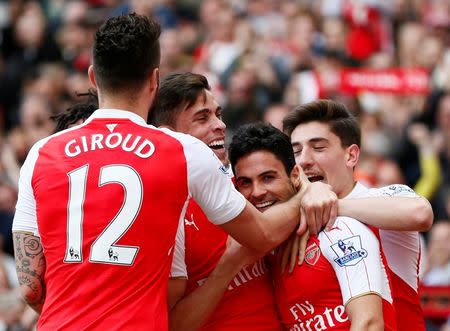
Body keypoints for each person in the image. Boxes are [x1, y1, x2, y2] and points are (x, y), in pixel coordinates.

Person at [11, 14, 336, 330]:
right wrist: (309, 191)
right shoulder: (182, 151)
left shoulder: (41, 153)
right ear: (154, 80)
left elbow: (30, 288)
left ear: (94, 78)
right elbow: (261, 236)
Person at [282, 99, 433, 330]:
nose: (304, 160)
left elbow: (421, 214)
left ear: (351, 156)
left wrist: (333, 205)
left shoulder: (384, 197)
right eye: (296, 151)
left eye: (319, 147)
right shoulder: (294, 216)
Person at [229, 122, 395, 330]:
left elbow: (369, 323)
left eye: (268, 178)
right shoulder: (266, 251)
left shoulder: (340, 229)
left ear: (295, 175)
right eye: (246, 182)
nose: (257, 192)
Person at [150, 72, 284, 330]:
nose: (220, 125)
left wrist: (313, 192)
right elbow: (174, 325)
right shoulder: (163, 209)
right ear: (171, 136)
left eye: (218, 114)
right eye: (203, 117)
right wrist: (227, 268)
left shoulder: (244, 183)